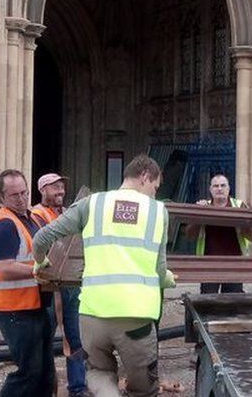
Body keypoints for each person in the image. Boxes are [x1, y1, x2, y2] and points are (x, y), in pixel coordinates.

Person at [32, 154, 176, 397]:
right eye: (155, 186)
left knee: (98, 372)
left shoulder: (92, 204)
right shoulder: (158, 211)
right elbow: (159, 268)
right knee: (144, 388)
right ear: (145, 176)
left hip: (92, 315)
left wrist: (40, 262)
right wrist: (167, 279)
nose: (154, 193)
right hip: (136, 319)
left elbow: (41, 238)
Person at [0, 169, 56, 397]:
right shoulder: (5, 225)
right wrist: (35, 270)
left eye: (24, 192)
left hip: (36, 306)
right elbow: (5, 268)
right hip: (16, 311)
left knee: (44, 373)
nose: (21, 198)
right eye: (15, 195)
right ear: (2, 197)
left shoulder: (32, 218)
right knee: (29, 372)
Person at [31, 173, 89, 397]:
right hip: (50, 287)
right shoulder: (37, 215)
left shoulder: (67, 213)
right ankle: (46, 387)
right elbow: (45, 244)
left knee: (75, 337)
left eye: (62, 187)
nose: (61, 191)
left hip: (71, 285)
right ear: (43, 190)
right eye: (55, 187)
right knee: (45, 338)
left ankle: (77, 387)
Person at [184, 174, 252, 294]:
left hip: (234, 263)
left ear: (228, 189)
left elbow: (251, 236)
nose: (219, 189)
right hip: (208, 264)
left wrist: (240, 218)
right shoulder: (203, 206)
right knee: (208, 302)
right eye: (216, 186)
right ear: (210, 190)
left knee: (233, 303)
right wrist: (199, 215)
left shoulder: (239, 206)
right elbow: (189, 235)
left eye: (223, 185)